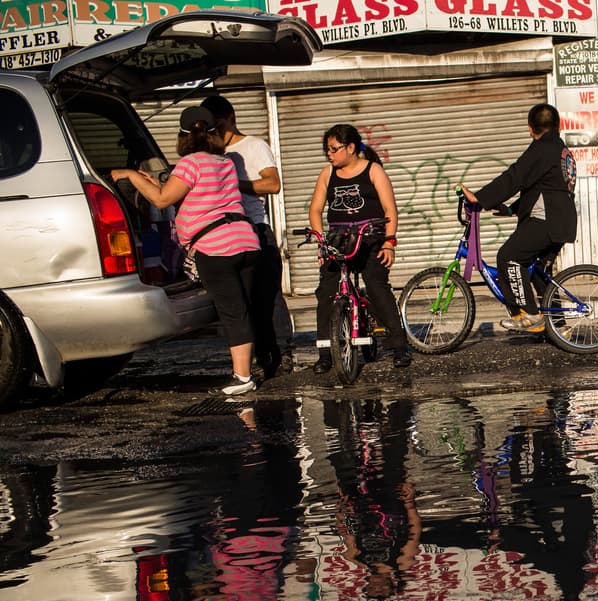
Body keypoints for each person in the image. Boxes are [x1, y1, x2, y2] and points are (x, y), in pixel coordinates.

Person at [111, 106, 260, 396]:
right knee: (241, 310)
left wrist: (130, 174)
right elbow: (190, 195)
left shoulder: (190, 164)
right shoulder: (225, 163)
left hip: (217, 248)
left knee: (232, 312)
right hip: (246, 240)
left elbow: (162, 200)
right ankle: (247, 372)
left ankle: (242, 379)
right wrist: (155, 182)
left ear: (182, 137)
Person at [459, 103, 577, 333]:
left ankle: (530, 315)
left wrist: (480, 198)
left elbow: (515, 176)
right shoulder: (560, 150)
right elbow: (542, 188)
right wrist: (511, 210)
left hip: (546, 221)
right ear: (558, 127)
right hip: (560, 221)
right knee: (540, 274)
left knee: (509, 257)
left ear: (531, 129)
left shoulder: (542, 149)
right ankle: (559, 329)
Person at [200, 95, 295, 378]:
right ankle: (256, 355)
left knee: (268, 295)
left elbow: (273, 183)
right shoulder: (210, 153)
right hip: (223, 233)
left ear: (231, 119)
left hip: (254, 228)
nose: (217, 133)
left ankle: (282, 351)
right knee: (240, 300)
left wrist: (233, 182)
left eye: (220, 126)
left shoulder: (253, 146)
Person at [309, 124, 411, 372]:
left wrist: (389, 242)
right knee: (326, 291)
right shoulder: (327, 174)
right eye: (327, 150)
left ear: (351, 147)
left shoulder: (373, 170)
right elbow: (315, 209)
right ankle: (325, 352)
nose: (329, 155)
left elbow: (390, 210)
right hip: (338, 239)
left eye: (334, 149)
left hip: (370, 238)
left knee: (376, 285)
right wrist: (321, 242)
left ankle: (399, 346)